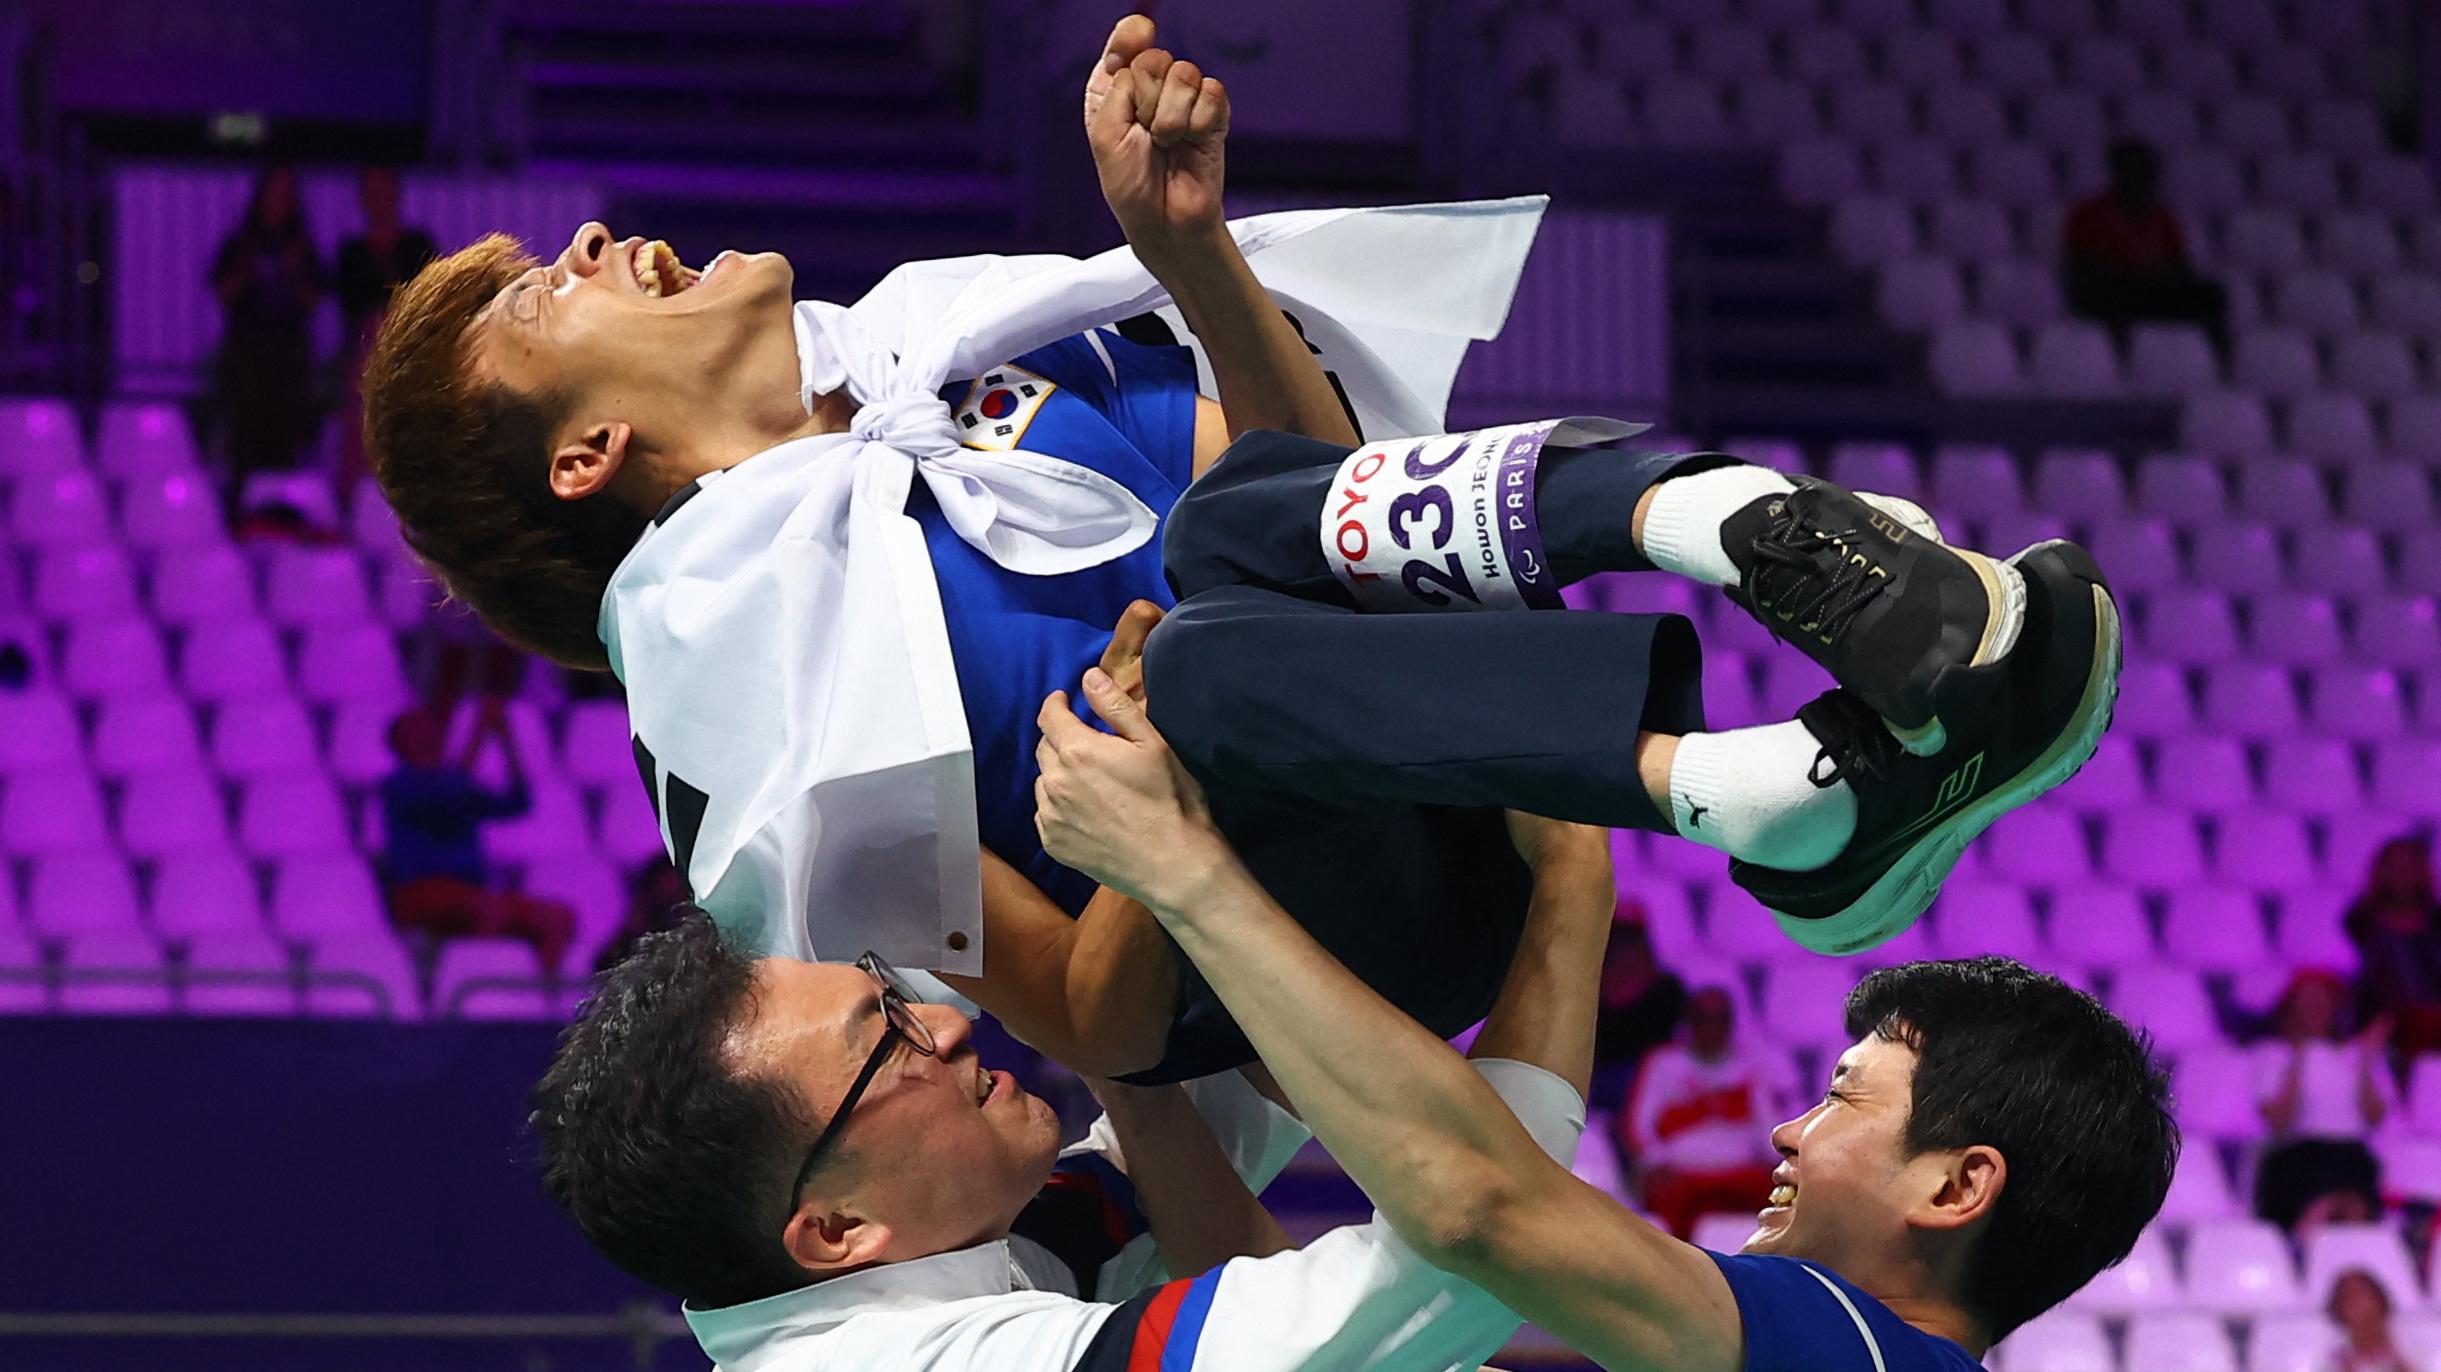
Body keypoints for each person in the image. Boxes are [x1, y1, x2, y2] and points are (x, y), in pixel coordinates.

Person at [363, 15, 2119, 1085]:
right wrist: (1150, 795)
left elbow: (1340, 507)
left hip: (1429, 743)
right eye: (543, 289)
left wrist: (1187, 253)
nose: (591, 237)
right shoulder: (751, 726)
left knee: (1237, 533)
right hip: (1317, 954)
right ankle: (1727, 641)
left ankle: (1759, 685)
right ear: (588, 456)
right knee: (1200, 651)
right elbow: (1098, 1024)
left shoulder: (960, 360)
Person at [1029, 677, 2180, 1372]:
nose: (1784, 1134)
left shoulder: (1853, 1347)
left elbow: (1475, 1206)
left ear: (1953, 1186)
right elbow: (1307, 1336)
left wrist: (1181, 868)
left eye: (1840, 1098)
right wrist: (1127, 1067)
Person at [525, 817, 1612, 1371]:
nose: (950, 1022)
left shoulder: (905, 1261)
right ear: (835, 1227)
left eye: (895, 995)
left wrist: (1119, 1013)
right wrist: (1567, 880)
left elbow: (1205, 1122)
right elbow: (1464, 1243)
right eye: (890, 1038)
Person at [380, 702, 576, 974]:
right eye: (419, 732)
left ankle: (542, 998)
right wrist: (480, 731)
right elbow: (446, 796)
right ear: (401, 744)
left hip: (472, 893)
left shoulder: (455, 784)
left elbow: (516, 803)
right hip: (422, 892)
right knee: (488, 910)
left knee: (557, 919)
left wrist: (506, 740)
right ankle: (480, 989)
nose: (430, 736)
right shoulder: (400, 786)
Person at [1621, 986, 1789, 1240]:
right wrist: (1655, 1162)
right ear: (1688, 1023)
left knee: (1781, 1200)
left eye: (1720, 1020)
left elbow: (1769, 1127)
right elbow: (1638, 1126)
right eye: (1703, 1019)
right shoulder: (1662, 1063)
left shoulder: (1752, 1065)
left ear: (1730, 1024)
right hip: (1681, 1175)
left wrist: (1775, 1163)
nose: (1712, 1029)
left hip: (1741, 1173)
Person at [209, 166, 325, 514]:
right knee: (244, 441)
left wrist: (293, 268)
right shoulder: (241, 243)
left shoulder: (302, 246)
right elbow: (223, 292)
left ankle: (280, 517)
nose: (279, 202)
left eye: (286, 195)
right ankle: (242, 515)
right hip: (246, 357)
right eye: (275, 193)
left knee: (284, 442)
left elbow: (314, 299)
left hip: (288, 358)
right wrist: (248, 266)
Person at [2060, 137, 2231, 356]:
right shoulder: (2088, 214)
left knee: (2210, 294)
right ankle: (2122, 361)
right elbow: (2080, 265)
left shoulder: (2163, 218)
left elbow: (2180, 266)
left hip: (2153, 291)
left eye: (2144, 173)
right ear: (2117, 174)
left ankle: (2217, 363)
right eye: (2131, 171)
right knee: (2107, 294)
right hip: (2113, 291)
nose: (2138, 180)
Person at [2253, 969, 2393, 1234]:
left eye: (2322, 1001)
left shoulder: (2359, 1054)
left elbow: (2375, 1116)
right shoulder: (2273, 1055)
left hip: (2350, 1156)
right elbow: (2279, 1122)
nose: (2314, 1009)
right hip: (2298, 1157)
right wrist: (2298, 1058)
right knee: (2318, 1206)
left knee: (2354, 1203)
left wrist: (2365, 1062)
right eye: (2306, 1002)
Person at [334, 167, 438, 498]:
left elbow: (430, 298)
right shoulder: (352, 253)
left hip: (409, 356)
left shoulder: (417, 246)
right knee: (359, 434)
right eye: (371, 192)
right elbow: (348, 304)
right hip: (363, 356)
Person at [2343, 835, 2441, 1056]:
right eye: (2394, 866)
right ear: (2381, 872)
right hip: (2381, 1020)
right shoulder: (2360, 920)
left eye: (2409, 865)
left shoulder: (2437, 921)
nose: (2402, 874)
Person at [1589, 905, 1685, 1108]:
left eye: (1632, 939)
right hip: (1604, 1079)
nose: (1625, 947)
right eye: (1619, 939)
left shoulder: (1667, 988)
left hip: (1656, 1077)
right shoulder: (1590, 988)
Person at [2326, 1268, 2413, 1372]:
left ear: (2379, 1300)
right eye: (2348, 1296)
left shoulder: (2414, 1343)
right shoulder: (2333, 1361)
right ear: (2339, 1310)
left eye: (2362, 1292)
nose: (2356, 1301)